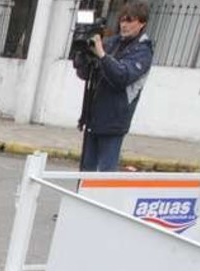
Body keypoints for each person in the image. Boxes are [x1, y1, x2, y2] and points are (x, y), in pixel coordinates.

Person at [73, 1, 154, 172]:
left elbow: (122, 76)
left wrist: (102, 55)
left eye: (129, 20)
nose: (124, 25)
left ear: (142, 23)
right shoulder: (112, 42)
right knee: (86, 172)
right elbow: (86, 74)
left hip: (114, 121)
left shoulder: (143, 51)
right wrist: (82, 56)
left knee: (105, 174)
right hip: (93, 117)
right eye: (122, 20)